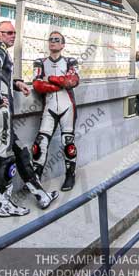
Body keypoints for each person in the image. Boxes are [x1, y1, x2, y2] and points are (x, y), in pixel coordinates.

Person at [0, 21, 58, 217]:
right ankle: (4, 205)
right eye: (8, 32)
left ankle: (41, 195)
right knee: (5, 157)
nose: (12, 36)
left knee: (21, 153)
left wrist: (16, 83)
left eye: (14, 33)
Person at [31, 31, 80, 192]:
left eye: (57, 40)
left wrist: (50, 79)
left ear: (63, 45)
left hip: (68, 107)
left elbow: (72, 81)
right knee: (40, 143)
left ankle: (70, 175)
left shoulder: (70, 61)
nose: (53, 42)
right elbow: (37, 85)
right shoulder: (39, 62)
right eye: (50, 39)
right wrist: (61, 83)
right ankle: (35, 178)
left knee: (68, 142)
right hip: (49, 107)